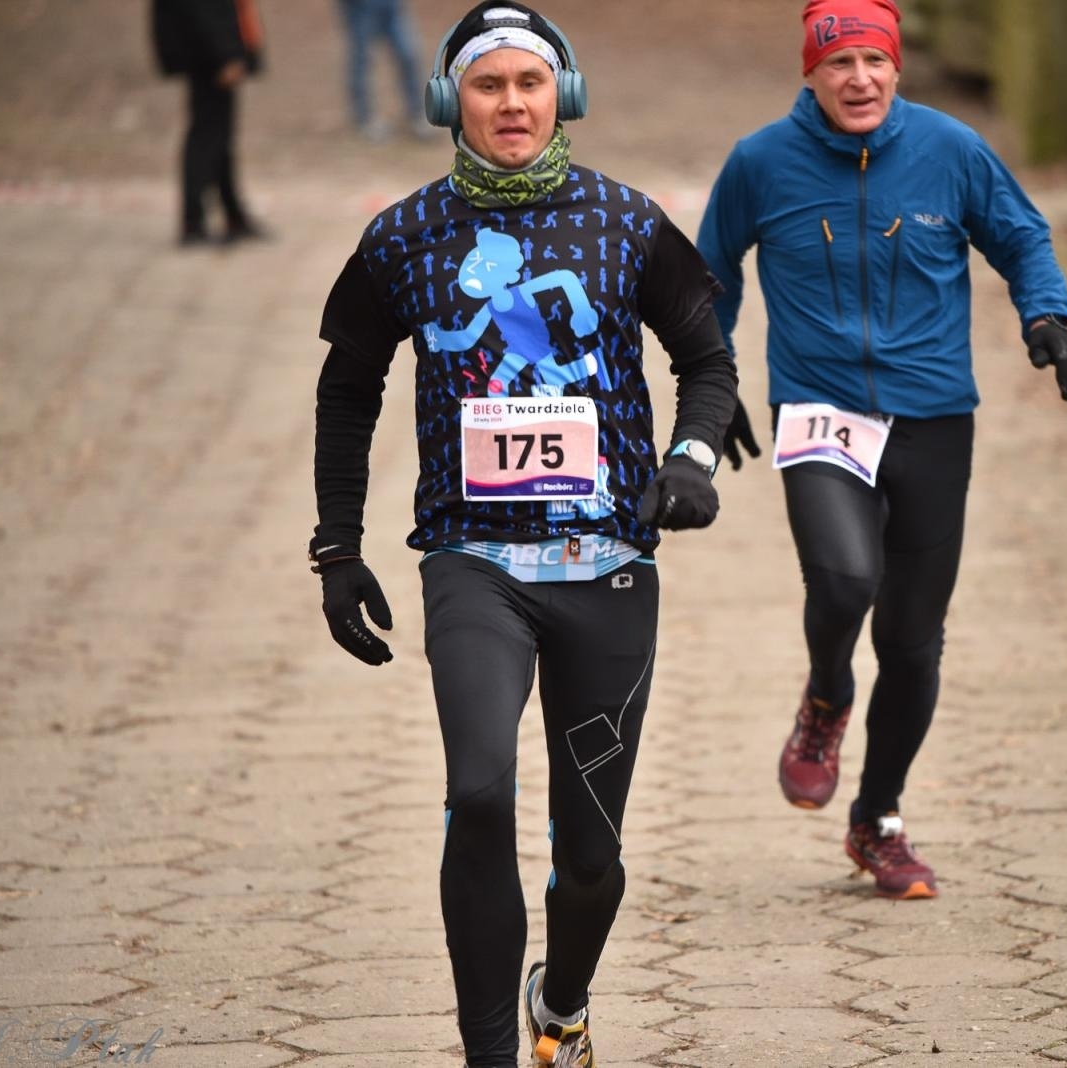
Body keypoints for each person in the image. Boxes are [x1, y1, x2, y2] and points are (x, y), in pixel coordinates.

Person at [309, 3, 737, 1064]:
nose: (511, 103)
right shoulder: (404, 236)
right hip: (473, 566)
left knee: (589, 857)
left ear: (564, 95)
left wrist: (689, 457)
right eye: (488, 84)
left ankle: (564, 1000)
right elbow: (348, 388)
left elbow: (707, 358)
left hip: (608, 569)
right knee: (478, 792)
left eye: (529, 83)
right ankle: (490, 1054)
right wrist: (338, 548)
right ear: (448, 100)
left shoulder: (625, 222)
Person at [696, 0, 1067, 901]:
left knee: (913, 643)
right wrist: (713, 384)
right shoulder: (761, 161)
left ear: (897, 67)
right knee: (843, 582)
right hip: (818, 408)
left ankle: (878, 818)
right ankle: (827, 695)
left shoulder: (951, 150)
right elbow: (709, 274)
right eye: (839, 64)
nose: (859, 79)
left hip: (934, 417)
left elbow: (1021, 235)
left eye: (874, 61)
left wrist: (1048, 318)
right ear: (811, 74)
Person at [151, 0, 269, 245]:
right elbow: (202, 8)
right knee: (206, 137)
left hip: (208, 52)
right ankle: (193, 222)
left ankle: (232, 214)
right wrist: (225, 55)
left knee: (220, 138)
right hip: (208, 57)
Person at [336, 0, 433, 141]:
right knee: (361, 59)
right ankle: (364, 118)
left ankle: (418, 113)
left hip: (391, 5)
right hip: (360, 7)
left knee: (408, 55)